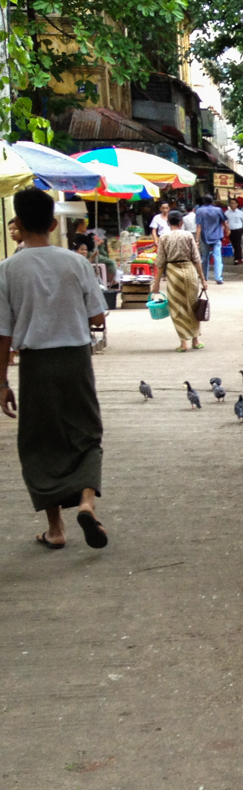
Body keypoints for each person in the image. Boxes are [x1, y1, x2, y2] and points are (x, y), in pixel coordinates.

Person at [0, 188, 109, 550]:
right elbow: (96, 316)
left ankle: (56, 530)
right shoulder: (75, 263)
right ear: (52, 223)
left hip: (35, 364)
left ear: (17, 222)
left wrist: (1, 382)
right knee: (86, 433)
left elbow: (2, 335)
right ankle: (87, 503)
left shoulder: (7, 269)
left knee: (38, 442)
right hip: (75, 358)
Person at [152, 210, 208, 352]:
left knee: (177, 307)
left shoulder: (164, 238)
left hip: (173, 272)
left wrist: (157, 283)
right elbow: (196, 259)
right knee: (193, 305)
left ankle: (183, 342)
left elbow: (160, 262)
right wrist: (203, 279)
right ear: (181, 222)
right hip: (189, 270)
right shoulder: (188, 235)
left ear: (168, 222)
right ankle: (195, 340)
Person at [194, 194, 227, 285]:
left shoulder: (199, 211)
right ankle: (218, 278)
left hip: (205, 237)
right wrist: (227, 230)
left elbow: (199, 226)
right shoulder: (218, 210)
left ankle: (204, 276)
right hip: (217, 237)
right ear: (212, 201)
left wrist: (197, 239)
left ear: (203, 201)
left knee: (205, 257)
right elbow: (224, 221)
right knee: (217, 257)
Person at [224, 197, 243, 264]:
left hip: (238, 230)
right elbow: (225, 222)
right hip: (231, 230)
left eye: (233, 203)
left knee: (237, 244)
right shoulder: (227, 213)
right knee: (234, 244)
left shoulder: (240, 213)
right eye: (231, 203)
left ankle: (236, 259)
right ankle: (240, 257)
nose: (232, 204)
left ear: (237, 204)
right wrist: (226, 229)